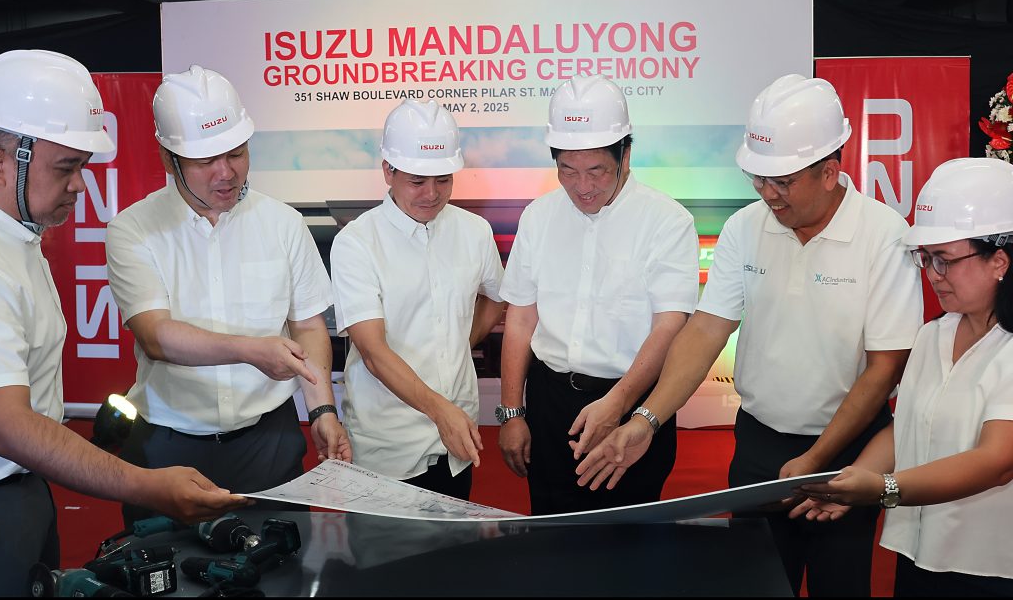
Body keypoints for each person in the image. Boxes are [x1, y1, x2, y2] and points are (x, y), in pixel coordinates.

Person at [577, 74, 923, 596]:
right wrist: (647, 419)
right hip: (758, 444)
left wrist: (815, 462)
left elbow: (885, 369)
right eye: (758, 178)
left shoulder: (884, 236)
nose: (767, 193)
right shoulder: (745, 227)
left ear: (830, 172)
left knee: (840, 583)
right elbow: (705, 330)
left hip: (849, 448)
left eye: (782, 181)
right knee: (754, 581)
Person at [0, 50, 246, 595]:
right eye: (66, 168)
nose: (80, 186)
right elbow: (5, 423)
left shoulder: (17, 240)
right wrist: (146, 486)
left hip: (24, 490)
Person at [105, 65, 350, 525]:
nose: (226, 173)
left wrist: (321, 409)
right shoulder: (133, 230)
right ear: (168, 159)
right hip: (167, 444)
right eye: (205, 161)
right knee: (164, 563)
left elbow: (308, 326)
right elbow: (156, 336)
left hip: (268, 441)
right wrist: (253, 351)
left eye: (236, 153)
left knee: (283, 559)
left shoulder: (282, 224)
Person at [792, 157, 1013, 597]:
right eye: (925, 259)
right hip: (919, 554)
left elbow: (998, 460)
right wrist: (848, 482)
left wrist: (883, 488)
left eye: (945, 260)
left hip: (990, 567)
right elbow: (905, 428)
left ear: (999, 261)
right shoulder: (934, 335)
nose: (932, 275)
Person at [497, 73, 699, 515]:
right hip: (550, 400)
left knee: (629, 533)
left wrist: (619, 403)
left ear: (625, 154)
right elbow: (521, 319)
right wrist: (512, 412)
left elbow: (669, 326)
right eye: (568, 171)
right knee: (551, 531)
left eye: (596, 171)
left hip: (634, 402)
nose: (582, 187)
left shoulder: (667, 221)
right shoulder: (539, 217)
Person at [329, 99, 504, 499]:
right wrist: (441, 410)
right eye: (417, 181)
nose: (431, 194)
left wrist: (459, 342)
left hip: (456, 443)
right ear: (388, 171)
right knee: (382, 541)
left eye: (443, 180)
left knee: (453, 537)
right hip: (387, 445)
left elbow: (496, 298)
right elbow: (372, 352)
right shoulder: (358, 243)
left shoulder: (474, 231)